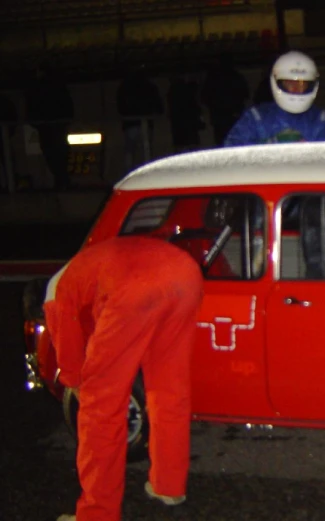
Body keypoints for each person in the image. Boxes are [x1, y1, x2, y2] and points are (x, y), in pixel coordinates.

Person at [45, 236, 204, 521]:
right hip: (185, 273)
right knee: (169, 390)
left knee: (100, 409)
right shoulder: (87, 267)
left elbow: (69, 359)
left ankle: (97, 514)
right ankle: (168, 485)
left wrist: (76, 383)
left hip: (135, 287)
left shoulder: (56, 294)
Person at [223, 50, 325, 146]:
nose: (295, 89)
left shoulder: (317, 119)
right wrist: (269, 147)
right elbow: (232, 151)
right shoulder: (256, 118)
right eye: (290, 84)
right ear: (277, 83)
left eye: (302, 85)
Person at [24, 64, 74, 190]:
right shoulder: (59, 86)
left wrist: (36, 122)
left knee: (51, 153)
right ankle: (63, 179)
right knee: (60, 152)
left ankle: (61, 179)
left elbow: (31, 106)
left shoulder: (37, 88)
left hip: (46, 126)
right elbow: (68, 105)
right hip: (56, 124)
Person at [117, 65, 164, 172]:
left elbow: (120, 106)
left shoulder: (125, 87)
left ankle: (128, 174)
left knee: (130, 151)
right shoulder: (149, 86)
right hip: (146, 121)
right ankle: (147, 174)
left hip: (130, 122)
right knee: (146, 150)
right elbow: (158, 104)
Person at [201, 52, 250, 146]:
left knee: (222, 144)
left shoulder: (213, 78)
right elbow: (245, 94)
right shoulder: (236, 77)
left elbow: (205, 97)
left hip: (221, 117)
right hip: (230, 116)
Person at [167, 77, 204, 153]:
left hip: (179, 124)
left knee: (182, 145)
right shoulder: (189, 92)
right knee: (191, 146)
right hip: (189, 123)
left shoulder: (172, 92)